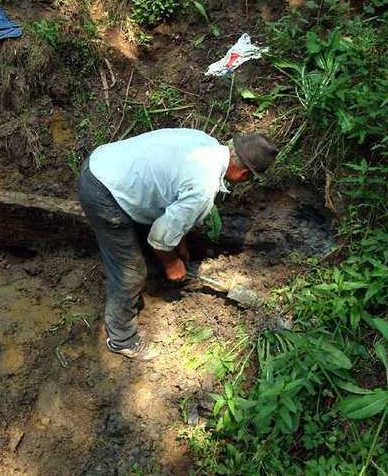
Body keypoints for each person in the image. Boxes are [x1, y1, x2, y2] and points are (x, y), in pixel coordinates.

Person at [78, 128, 279, 361]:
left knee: (148, 246)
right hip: (103, 193)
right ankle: (121, 339)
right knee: (131, 273)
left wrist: (180, 241)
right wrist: (172, 263)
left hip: (103, 162)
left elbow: (172, 198)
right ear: (244, 175)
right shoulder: (203, 190)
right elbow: (160, 239)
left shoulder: (205, 142)